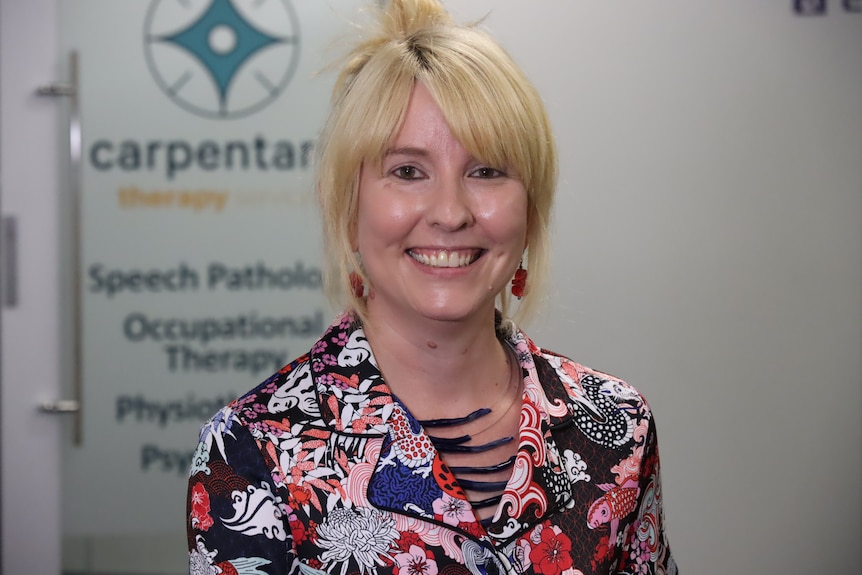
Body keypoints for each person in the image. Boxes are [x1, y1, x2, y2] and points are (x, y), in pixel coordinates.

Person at [186, 1, 676, 574]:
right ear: (349, 207)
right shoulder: (252, 452)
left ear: (530, 210)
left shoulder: (619, 427)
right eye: (408, 172)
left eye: (487, 171)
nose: (450, 212)